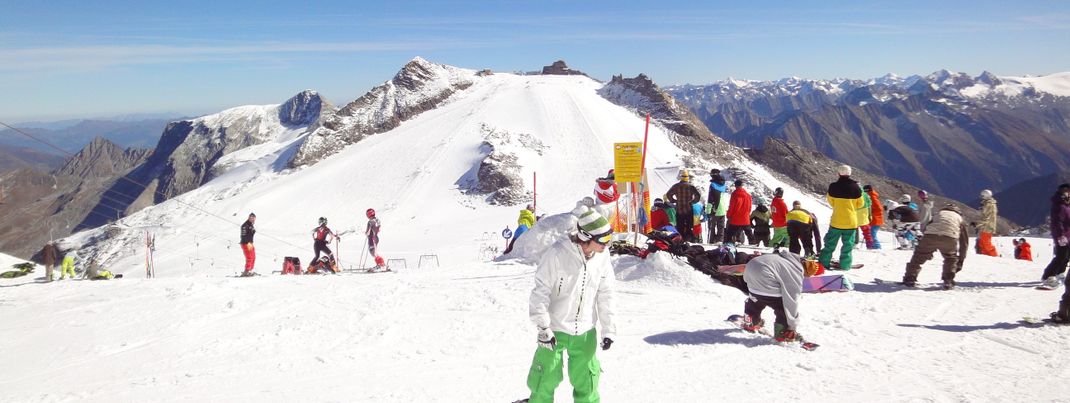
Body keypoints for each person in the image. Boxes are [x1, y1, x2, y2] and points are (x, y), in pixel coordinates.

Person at [526, 204, 615, 403]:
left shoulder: (602, 257)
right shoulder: (557, 254)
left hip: (585, 331)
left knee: (587, 380)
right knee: (544, 377)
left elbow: (606, 293)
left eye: (609, 238)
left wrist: (608, 329)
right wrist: (542, 327)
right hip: (555, 329)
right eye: (603, 239)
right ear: (586, 237)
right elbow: (540, 292)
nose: (607, 244)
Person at [740, 250, 806, 342]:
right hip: (766, 283)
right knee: (783, 308)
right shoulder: (793, 269)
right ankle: (783, 332)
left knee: (754, 302)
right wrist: (792, 326)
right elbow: (791, 299)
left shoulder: (779, 258)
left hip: (752, 281)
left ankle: (750, 321)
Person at [901, 203, 970, 289]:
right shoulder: (959, 218)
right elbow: (964, 242)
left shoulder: (938, 214)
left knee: (918, 257)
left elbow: (926, 227)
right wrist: (961, 260)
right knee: (950, 258)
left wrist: (928, 250)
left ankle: (910, 278)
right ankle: (948, 280)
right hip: (949, 237)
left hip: (930, 236)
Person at [818, 165, 865, 271]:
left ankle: (823, 263)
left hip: (836, 221)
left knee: (829, 244)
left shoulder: (833, 186)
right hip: (851, 221)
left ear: (838, 173)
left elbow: (831, 202)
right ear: (850, 173)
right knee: (848, 245)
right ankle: (845, 265)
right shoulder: (856, 188)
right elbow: (861, 204)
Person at [1041, 184, 1070, 289]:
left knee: (1066, 256)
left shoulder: (1066, 204)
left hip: (1068, 234)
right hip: (1062, 235)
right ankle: (1048, 276)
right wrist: (1061, 235)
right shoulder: (1059, 205)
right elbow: (1057, 222)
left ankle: (1059, 273)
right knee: (1061, 256)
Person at [667, 169, 701, 243]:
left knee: (680, 227)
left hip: (679, 209)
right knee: (689, 227)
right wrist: (693, 202)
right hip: (689, 209)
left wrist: (674, 201)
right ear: (687, 177)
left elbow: (668, 194)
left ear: (681, 177)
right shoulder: (691, 186)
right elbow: (698, 196)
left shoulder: (676, 186)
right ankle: (688, 241)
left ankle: (680, 241)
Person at [725, 179, 753, 245]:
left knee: (730, 233)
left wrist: (728, 215)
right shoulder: (748, 195)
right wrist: (747, 214)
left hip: (735, 218)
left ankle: (728, 244)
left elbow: (732, 207)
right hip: (745, 218)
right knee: (749, 233)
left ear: (736, 186)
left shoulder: (734, 194)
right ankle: (753, 243)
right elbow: (749, 207)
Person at [707, 169, 729, 243]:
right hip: (723, 208)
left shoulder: (712, 185)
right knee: (721, 226)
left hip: (715, 209)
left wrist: (708, 210)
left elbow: (710, 198)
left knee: (712, 227)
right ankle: (720, 240)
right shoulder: (724, 185)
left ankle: (711, 241)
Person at [977, 190, 999, 257]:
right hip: (985, 227)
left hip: (987, 227)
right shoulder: (987, 204)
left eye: (982, 196)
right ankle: (986, 256)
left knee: (986, 243)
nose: (981, 197)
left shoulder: (989, 205)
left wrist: (977, 224)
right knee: (982, 243)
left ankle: (993, 256)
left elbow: (987, 218)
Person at [865, 185, 884, 249]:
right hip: (875, 218)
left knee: (872, 233)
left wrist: (871, 211)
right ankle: (874, 245)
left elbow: (879, 208)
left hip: (875, 219)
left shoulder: (872, 197)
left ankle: (877, 246)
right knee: (871, 232)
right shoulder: (871, 196)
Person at [857, 184, 873, 249]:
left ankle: (854, 244)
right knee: (867, 232)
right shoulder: (866, 195)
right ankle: (870, 246)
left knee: (854, 231)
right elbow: (869, 205)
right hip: (864, 216)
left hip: (855, 216)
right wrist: (870, 215)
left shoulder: (852, 194)